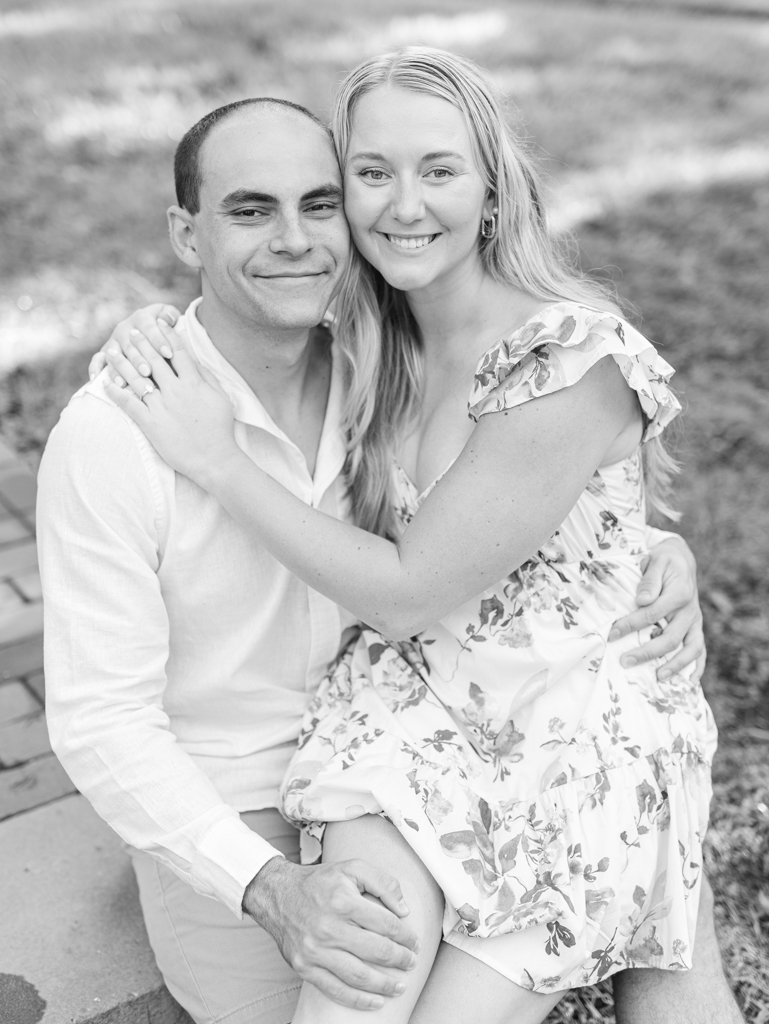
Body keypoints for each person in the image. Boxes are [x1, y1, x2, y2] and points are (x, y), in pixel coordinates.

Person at [96, 48, 741, 1024]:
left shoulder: (567, 360)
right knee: (355, 984)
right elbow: (235, 308)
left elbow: (404, 585)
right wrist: (153, 328)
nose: (403, 203)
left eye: (437, 170)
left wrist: (217, 458)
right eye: (371, 172)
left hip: (567, 726)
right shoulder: (366, 331)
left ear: (491, 193)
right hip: (412, 705)